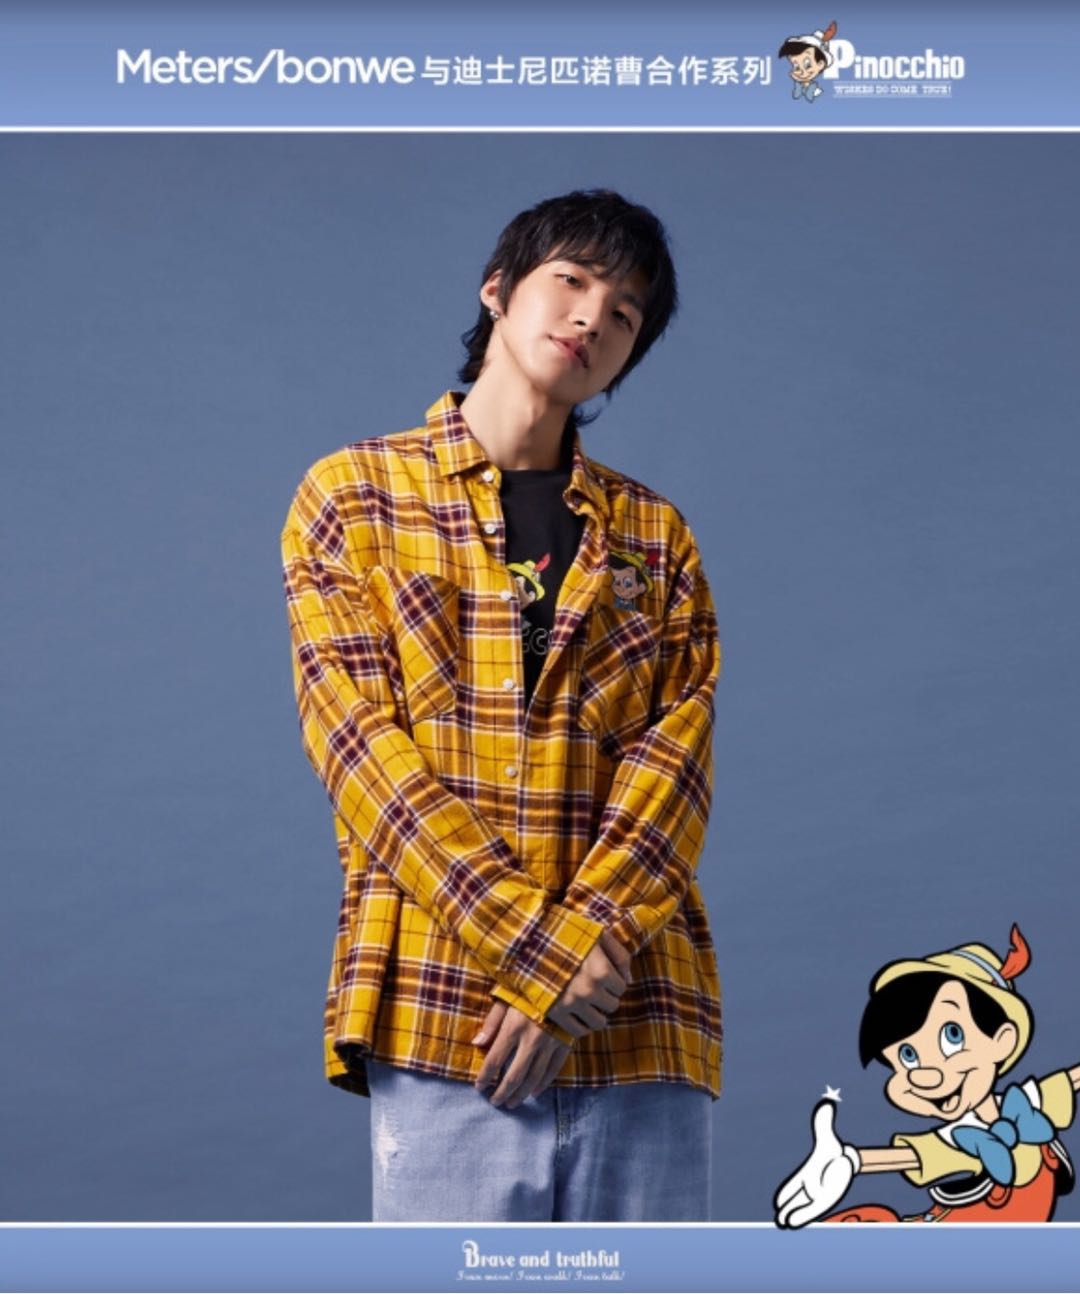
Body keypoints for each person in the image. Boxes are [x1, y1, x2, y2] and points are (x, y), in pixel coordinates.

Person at [281, 189, 722, 1222]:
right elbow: (364, 756)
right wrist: (542, 959)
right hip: (446, 1016)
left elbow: (675, 765)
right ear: (497, 290)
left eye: (624, 313)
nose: (592, 316)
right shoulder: (354, 496)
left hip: (638, 1012)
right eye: (571, 280)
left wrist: (579, 961)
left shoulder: (655, 535)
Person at [774, 926, 1078, 1226]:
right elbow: (915, 1155)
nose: (924, 1076)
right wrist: (851, 1162)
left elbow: (1072, 1079)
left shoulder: (1031, 1104)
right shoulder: (961, 1140)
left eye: (952, 1035)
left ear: (1003, 1040)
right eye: (907, 1056)